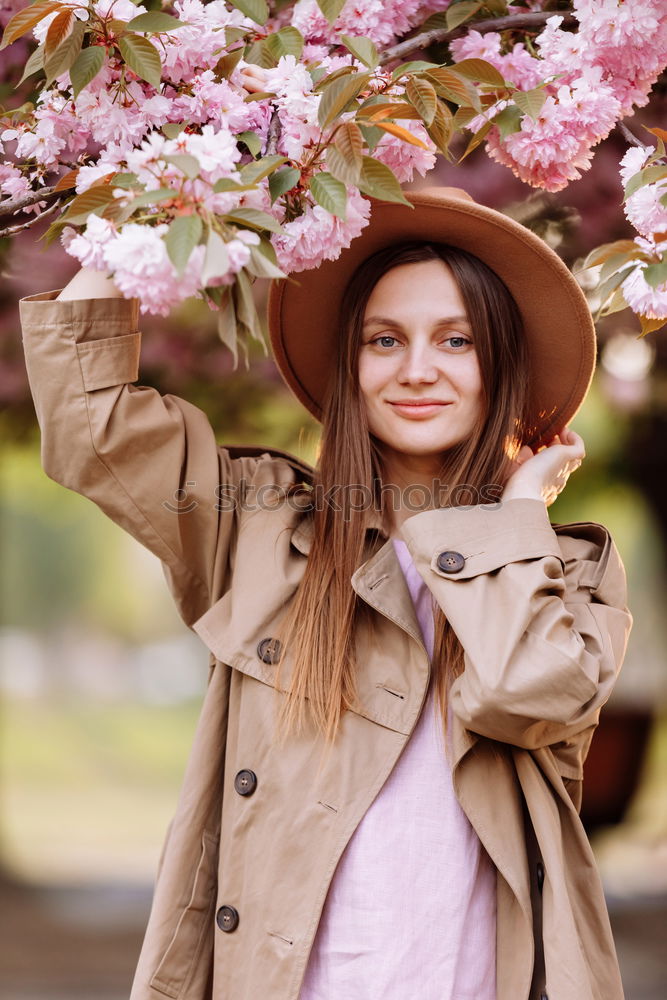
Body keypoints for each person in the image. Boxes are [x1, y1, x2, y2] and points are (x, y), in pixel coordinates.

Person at [18, 185, 632, 1000]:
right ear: (352, 363)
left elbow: (526, 692)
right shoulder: (260, 525)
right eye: (385, 339)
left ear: (500, 366)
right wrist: (165, 183)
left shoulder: (565, 567)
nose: (417, 369)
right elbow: (88, 421)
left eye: (456, 340)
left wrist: (514, 517)